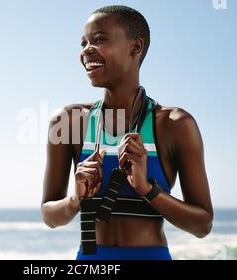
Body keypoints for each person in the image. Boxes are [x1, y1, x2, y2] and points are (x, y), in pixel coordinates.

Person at [41, 5, 213, 260]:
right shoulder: (67, 122)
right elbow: (49, 216)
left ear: (136, 47)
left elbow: (202, 225)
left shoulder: (175, 125)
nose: (87, 50)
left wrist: (148, 189)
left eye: (99, 39)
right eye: (83, 42)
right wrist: (75, 200)